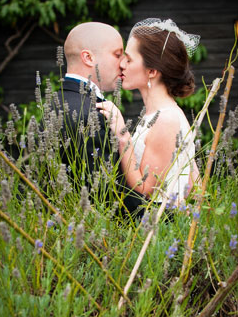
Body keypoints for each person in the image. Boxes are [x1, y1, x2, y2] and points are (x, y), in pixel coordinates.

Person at [97, 18, 201, 207]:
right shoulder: (156, 114)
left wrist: (122, 133)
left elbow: (144, 188)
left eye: (129, 59)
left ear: (152, 71)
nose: (122, 65)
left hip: (162, 227)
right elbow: (195, 182)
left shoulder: (167, 119)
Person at [57, 21, 145, 215]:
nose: (123, 63)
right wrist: (167, 216)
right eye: (116, 54)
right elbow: (106, 195)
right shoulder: (88, 114)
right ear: (88, 57)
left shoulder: (58, 101)